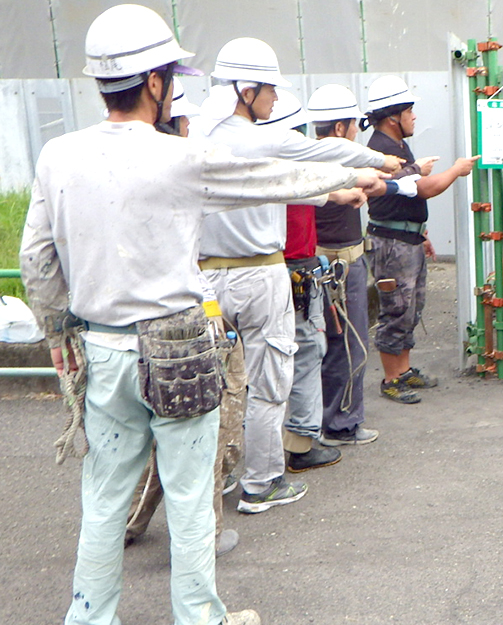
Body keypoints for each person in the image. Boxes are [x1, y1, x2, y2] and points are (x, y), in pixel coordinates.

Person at [19, 5, 384, 624]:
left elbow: (36, 262)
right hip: (180, 348)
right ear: (156, 83)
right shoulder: (178, 157)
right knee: (190, 499)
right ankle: (201, 617)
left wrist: (61, 336)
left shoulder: (58, 155)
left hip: (103, 352)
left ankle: (87, 618)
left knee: (104, 498)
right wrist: (366, 167)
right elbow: (275, 178)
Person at [189, 38, 403, 501]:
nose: (273, 99)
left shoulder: (200, 137)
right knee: (269, 385)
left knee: (217, 388)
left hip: (205, 282)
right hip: (258, 275)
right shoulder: (257, 137)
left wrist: (339, 190)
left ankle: (218, 478)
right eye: (268, 89)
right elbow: (317, 155)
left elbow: (271, 188)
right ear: (245, 89)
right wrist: (375, 162)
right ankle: (262, 482)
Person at [122, 78, 245, 557]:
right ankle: (204, 537)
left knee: (143, 442)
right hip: (185, 327)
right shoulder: (182, 171)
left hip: (131, 331)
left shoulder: (121, 167)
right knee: (205, 436)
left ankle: (126, 525)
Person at [363, 75, 480, 404]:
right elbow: (423, 187)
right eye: (409, 111)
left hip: (407, 238)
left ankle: (403, 371)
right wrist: (456, 170)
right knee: (396, 308)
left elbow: (408, 195)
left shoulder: (398, 145)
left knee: (411, 307)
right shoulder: (381, 149)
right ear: (392, 117)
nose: (414, 117)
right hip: (391, 244)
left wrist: (422, 233)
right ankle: (390, 379)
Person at [308, 84, 396, 443]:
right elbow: (386, 177)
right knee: (349, 344)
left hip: (319, 264)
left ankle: (319, 421)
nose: (358, 132)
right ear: (341, 128)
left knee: (324, 346)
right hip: (340, 265)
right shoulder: (342, 161)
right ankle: (340, 424)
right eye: (353, 125)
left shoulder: (306, 158)